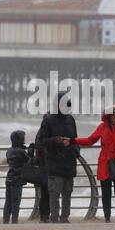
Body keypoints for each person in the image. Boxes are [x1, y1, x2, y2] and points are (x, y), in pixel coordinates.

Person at [69, 105, 115, 223]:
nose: (114, 118)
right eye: (112, 116)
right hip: (104, 163)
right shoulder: (102, 127)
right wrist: (73, 140)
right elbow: (90, 140)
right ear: (108, 116)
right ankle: (107, 218)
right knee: (106, 193)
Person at [38, 92, 79, 223]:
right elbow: (42, 140)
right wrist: (56, 140)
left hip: (69, 161)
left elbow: (75, 139)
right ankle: (54, 218)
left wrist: (76, 151)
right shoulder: (48, 120)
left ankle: (65, 218)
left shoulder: (70, 119)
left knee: (67, 193)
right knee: (54, 193)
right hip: (54, 162)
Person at [3, 130, 29, 224]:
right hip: (17, 179)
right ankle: (14, 221)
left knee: (8, 202)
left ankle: (5, 221)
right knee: (16, 202)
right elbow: (29, 160)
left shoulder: (9, 150)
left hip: (9, 178)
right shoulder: (21, 151)